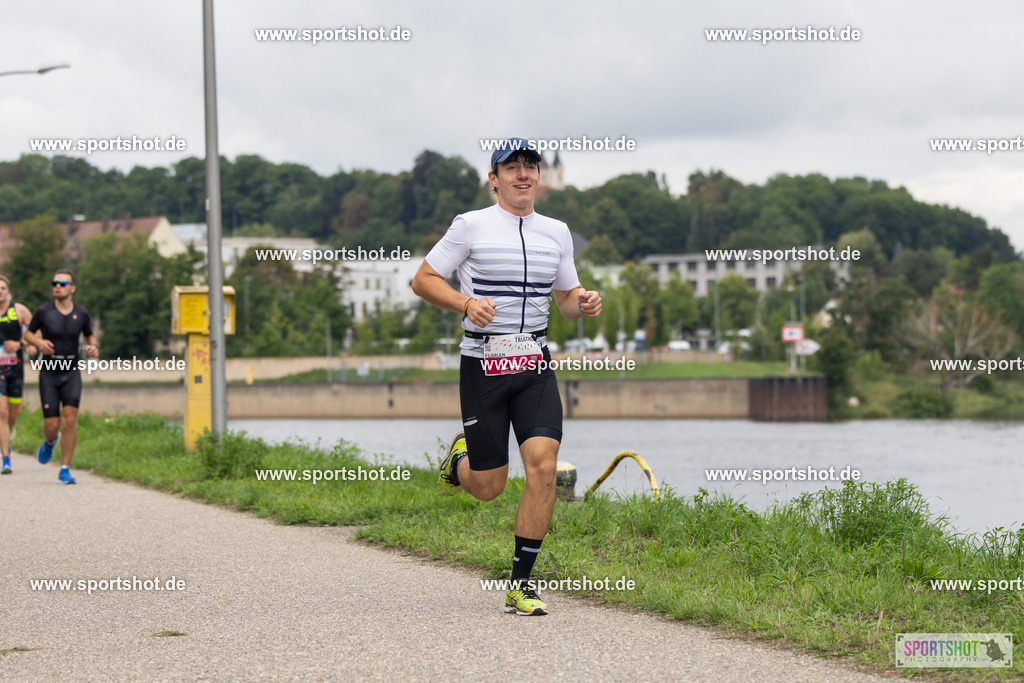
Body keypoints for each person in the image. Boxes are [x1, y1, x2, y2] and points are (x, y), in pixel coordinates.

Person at [411, 138, 602, 615]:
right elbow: (424, 279)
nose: (523, 174)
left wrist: (586, 302)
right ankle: (460, 459)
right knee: (489, 486)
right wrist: (465, 303)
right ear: (493, 179)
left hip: (534, 364)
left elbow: (566, 298)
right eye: (511, 167)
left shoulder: (556, 231)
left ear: (538, 177)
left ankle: (521, 584)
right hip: (485, 366)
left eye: (530, 167)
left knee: (543, 465)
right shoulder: (470, 225)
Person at [22, 270, 99, 484]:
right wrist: (38, 343)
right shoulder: (43, 311)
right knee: (52, 424)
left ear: (72, 288)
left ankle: (65, 468)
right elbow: (27, 333)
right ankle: (49, 441)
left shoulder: (82, 314)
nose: (57, 286)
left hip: (72, 371)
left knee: (70, 419)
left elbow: (89, 335)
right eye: (54, 283)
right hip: (49, 372)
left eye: (62, 283)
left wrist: (93, 347)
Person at [0, 276, 33, 474]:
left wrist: (20, 344)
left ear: (8, 290)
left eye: (2, 288)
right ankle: (6, 458)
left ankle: (9, 431)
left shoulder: (19, 311)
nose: (0, 291)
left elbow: (35, 337)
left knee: (14, 412)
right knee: (1, 413)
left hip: (16, 368)